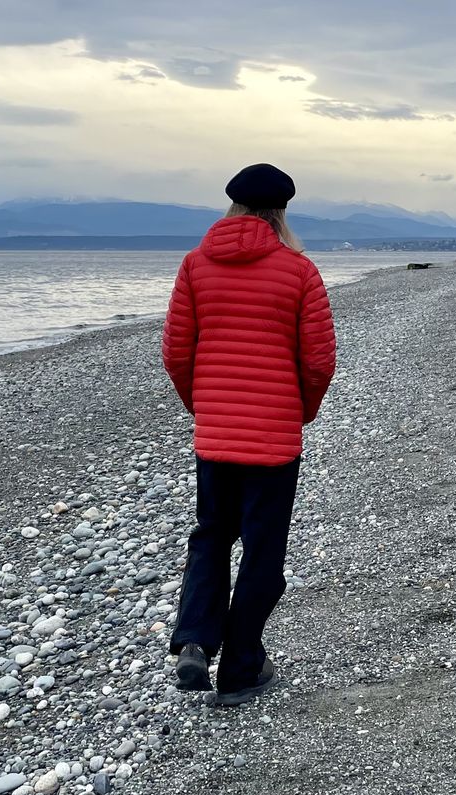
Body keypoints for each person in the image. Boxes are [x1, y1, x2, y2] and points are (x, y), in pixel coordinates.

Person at [161, 163, 336, 705]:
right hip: (274, 441)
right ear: (281, 212)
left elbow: (175, 353)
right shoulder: (299, 271)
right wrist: (299, 411)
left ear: (231, 207)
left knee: (211, 535)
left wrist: (204, 407)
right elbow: (319, 362)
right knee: (262, 554)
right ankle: (240, 667)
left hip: (215, 437)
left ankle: (193, 640)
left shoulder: (195, 266)